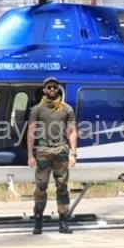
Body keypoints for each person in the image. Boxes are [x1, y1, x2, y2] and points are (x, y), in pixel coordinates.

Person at [27, 76, 77, 235]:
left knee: (62, 187)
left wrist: (74, 154)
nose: (52, 89)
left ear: (58, 89)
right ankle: (38, 222)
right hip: (43, 151)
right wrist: (30, 155)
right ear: (44, 90)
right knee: (41, 187)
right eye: (49, 87)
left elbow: (72, 131)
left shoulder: (67, 109)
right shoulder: (37, 110)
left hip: (61, 151)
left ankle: (63, 222)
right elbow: (31, 131)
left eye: (55, 87)